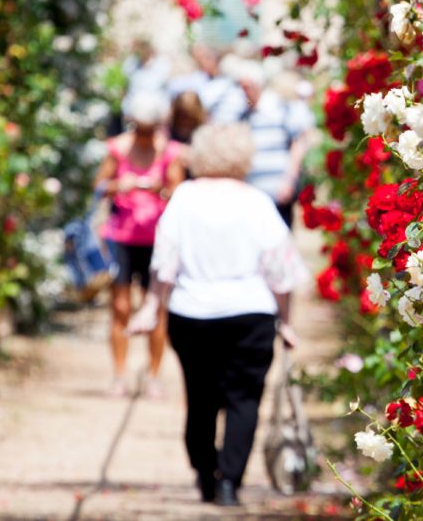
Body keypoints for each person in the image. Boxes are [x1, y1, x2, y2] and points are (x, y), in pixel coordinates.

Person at [149, 123, 306, 506]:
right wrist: (285, 322)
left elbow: (164, 260)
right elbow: (280, 269)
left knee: (199, 397)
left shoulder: (183, 197)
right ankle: (229, 483)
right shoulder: (257, 201)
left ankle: (205, 472)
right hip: (249, 314)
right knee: (244, 398)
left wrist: (152, 306)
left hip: (192, 313)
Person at [94, 90, 185, 398]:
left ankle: (153, 375)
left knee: (156, 307)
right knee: (120, 307)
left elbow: (179, 190)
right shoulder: (117, 149)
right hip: (121, 236)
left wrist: (160, 189)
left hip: (156, 240)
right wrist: (120, 185)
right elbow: (99, 186)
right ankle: (119, 374)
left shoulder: (170, 152)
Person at [214, 58, 314, 228]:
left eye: (247, 86)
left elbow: (298, 142)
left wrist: (289, 180)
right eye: (240, 86)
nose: (243, 92)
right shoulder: (240, 114)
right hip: (250, 197)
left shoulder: (279, 108)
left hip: (277, 193)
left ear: (258, 85)